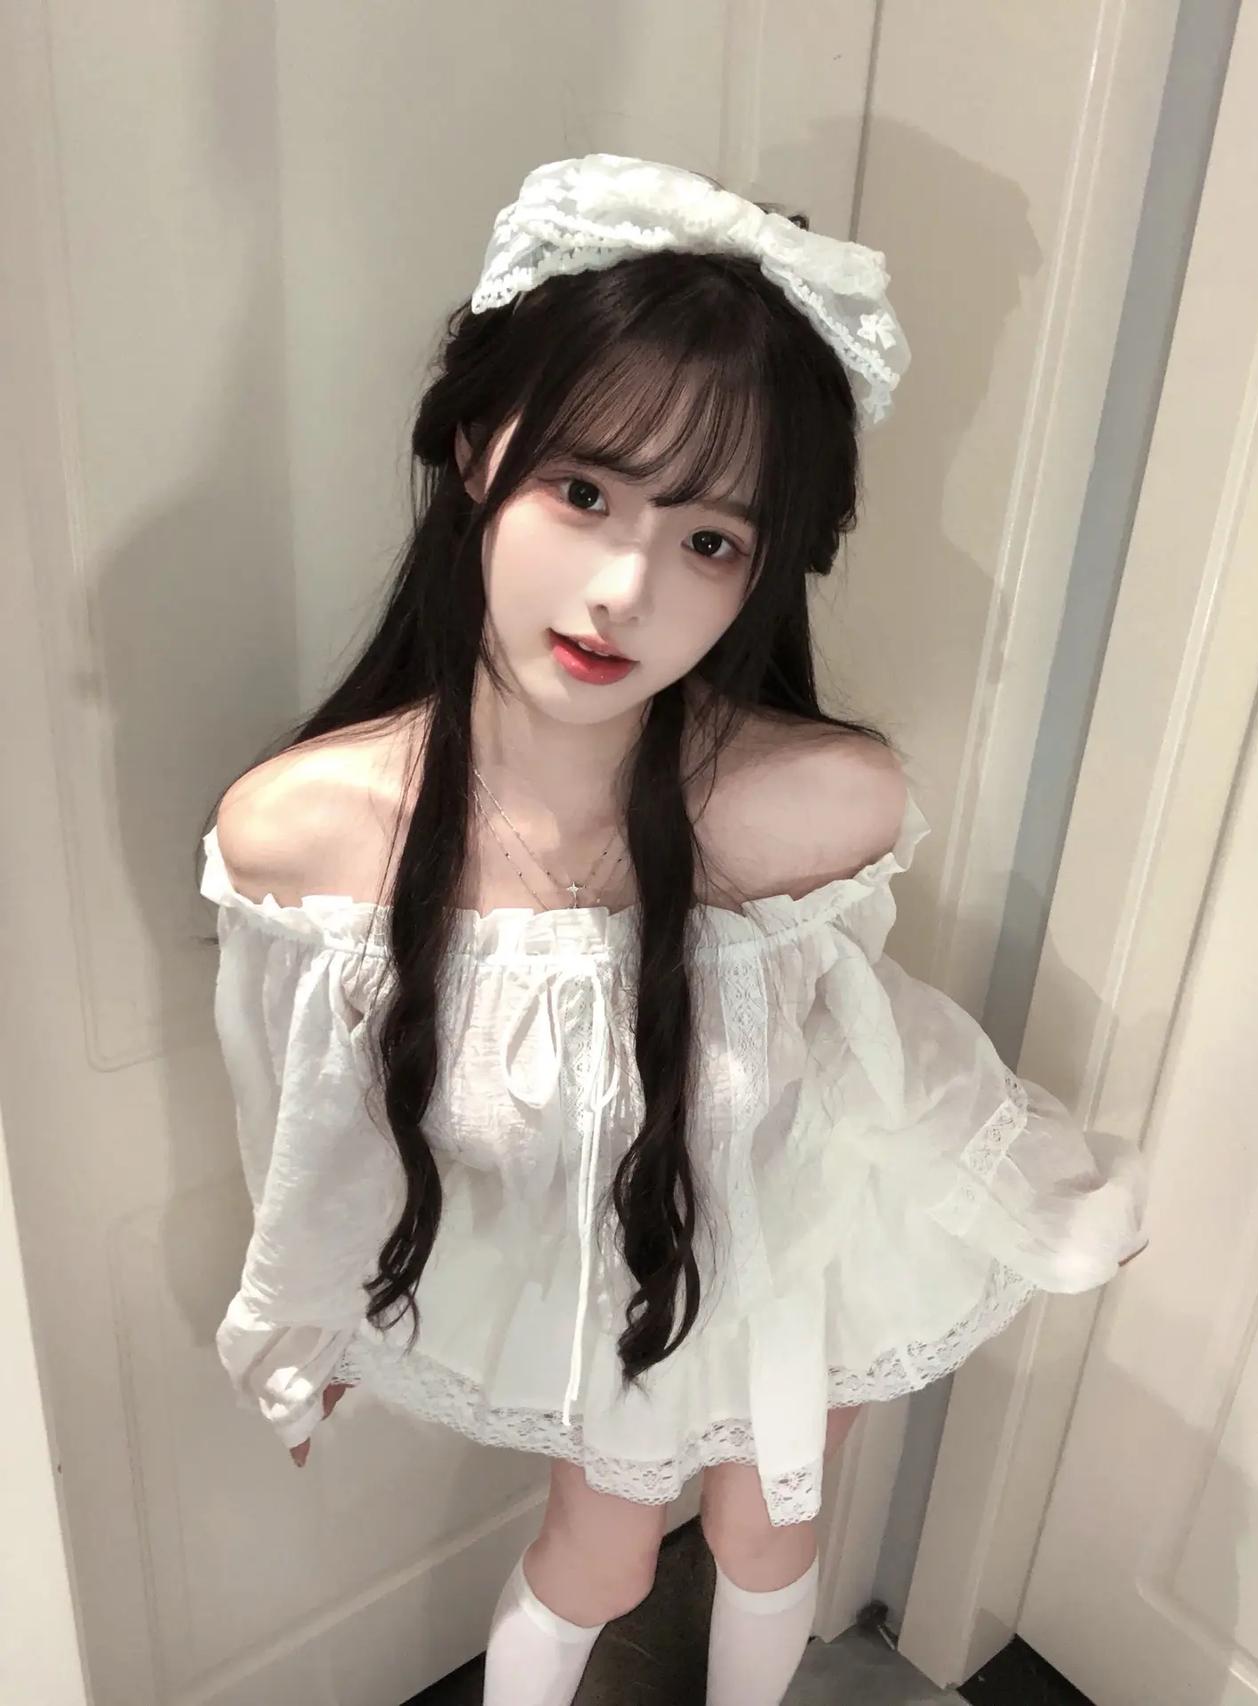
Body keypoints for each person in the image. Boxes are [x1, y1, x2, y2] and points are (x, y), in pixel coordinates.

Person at [196, 153, 1150, 1706]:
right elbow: (311, 1127)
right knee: (603, 1556)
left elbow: (876, 1051)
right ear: (476, 447)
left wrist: (1050, 1190)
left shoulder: (814, 808)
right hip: (612, 1294)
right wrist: (300, 1337)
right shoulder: (311, 839)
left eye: (711, 540)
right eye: (584, 492)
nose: (625, 588)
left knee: (774, 1529)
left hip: (812, 1247)